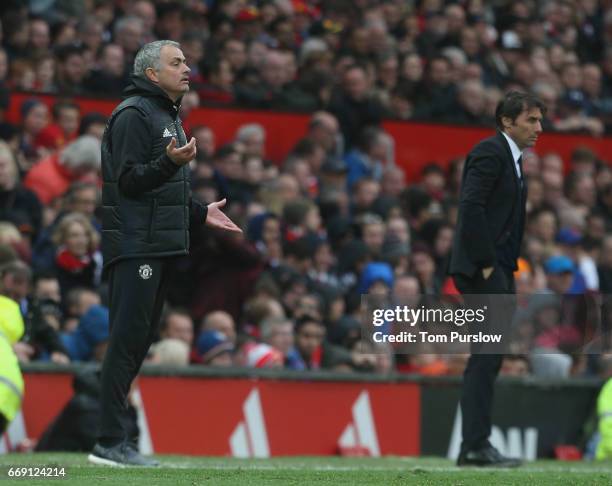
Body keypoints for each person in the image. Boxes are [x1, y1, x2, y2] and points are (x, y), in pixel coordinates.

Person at [89, 40, 241, 467]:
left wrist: (197, 213)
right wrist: (171, 164)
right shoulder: (135, 114)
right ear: (152, 74)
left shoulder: (164, 115)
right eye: (176, 63)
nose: (187, 68)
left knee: (137, 344)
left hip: (154, 244)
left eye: (187, 61)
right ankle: (108, 443)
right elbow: (128, 182)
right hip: (136, 247)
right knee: (126, 343)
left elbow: (156, 193)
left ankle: (118, 440)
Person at [448, 91, 545, 467]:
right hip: (482, 270)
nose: (539, 128)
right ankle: (474, 445)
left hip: (499, 269)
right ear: (507, 121)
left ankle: (476, 444)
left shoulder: (512, 158)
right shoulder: (491, 153)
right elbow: (470, 206)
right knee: (485, 358)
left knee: (488, 358)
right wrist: (487, 263)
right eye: (531, 120)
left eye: (539, 120)